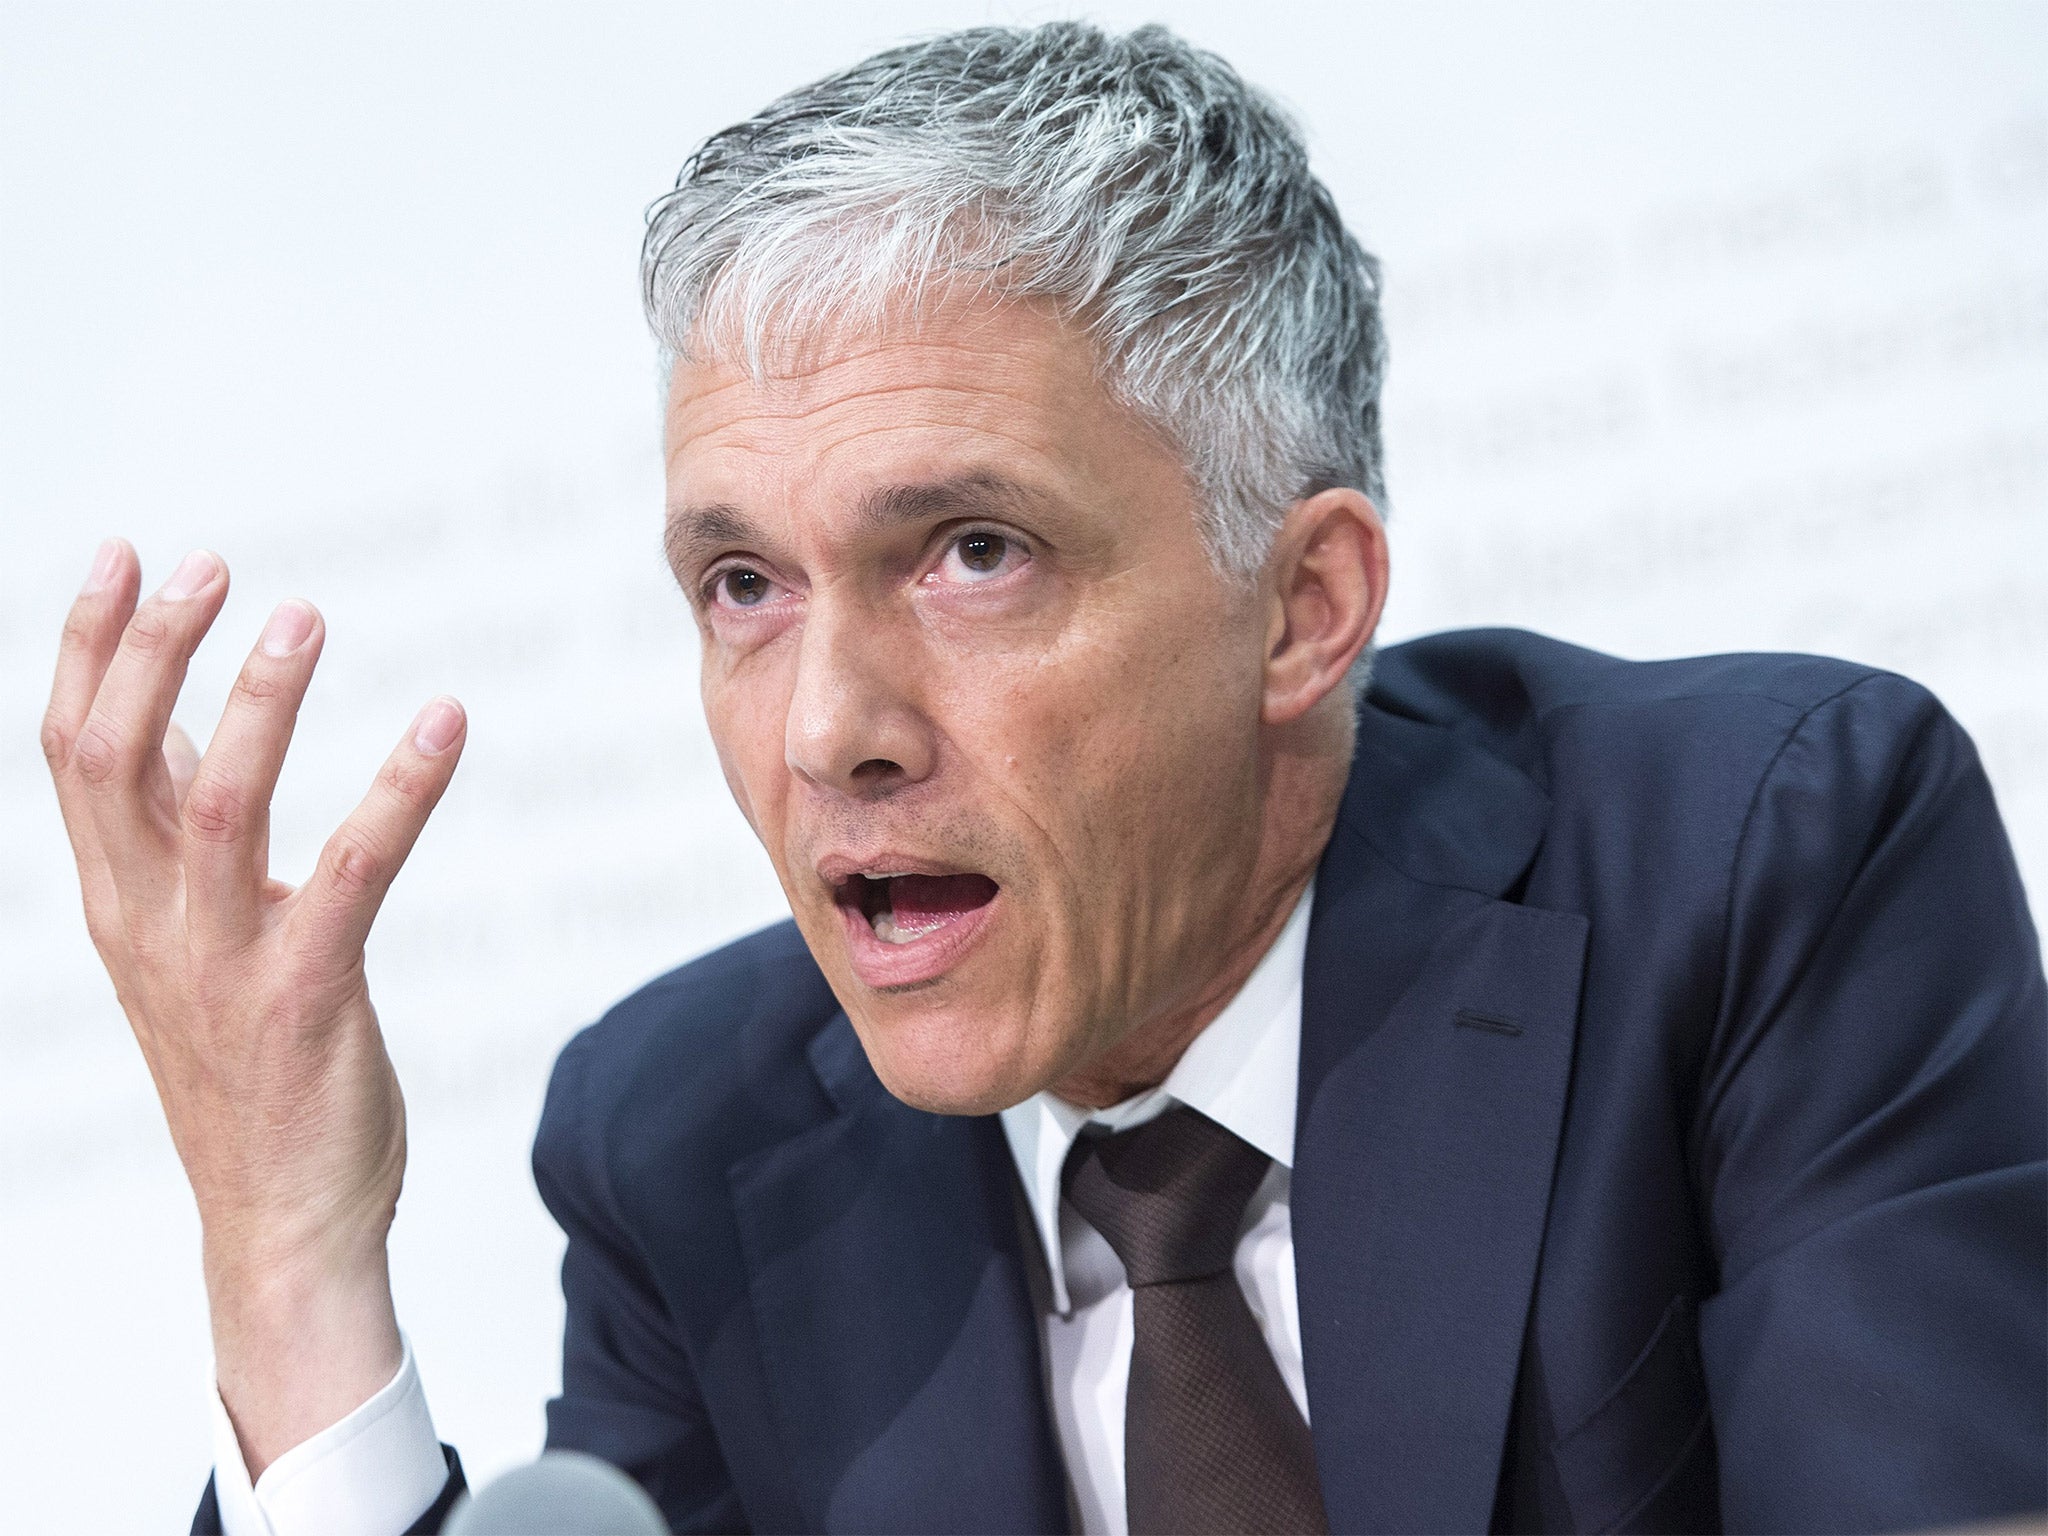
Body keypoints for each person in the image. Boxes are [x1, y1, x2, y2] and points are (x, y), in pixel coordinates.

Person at [39, 22, 2045, 1536]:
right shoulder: (685, 1149)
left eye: (969, 553)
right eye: (741, 582)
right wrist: (291, 1270)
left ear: (1302, 606)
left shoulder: (1755, 859)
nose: (831, 726)